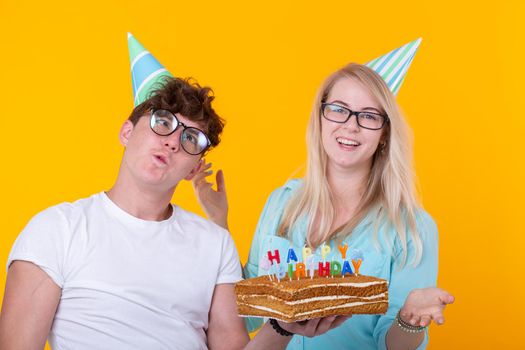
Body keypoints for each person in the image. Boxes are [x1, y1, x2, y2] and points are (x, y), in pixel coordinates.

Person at [0, 33, 348, 349]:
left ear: (194, 168)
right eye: (162, 122)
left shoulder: (215, 244)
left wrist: (282, 326)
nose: (171, 141)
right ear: (126, 132)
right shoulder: (56, 229)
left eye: (190, 138)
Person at [192, 60, 455, 349]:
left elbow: (392, 346)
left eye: (368, 116)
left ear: (384, 134)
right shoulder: (282, 202)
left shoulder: (413, 228)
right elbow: (249, 310)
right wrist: (219, 222)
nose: (350, 126)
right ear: (320, 119)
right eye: (339, 110)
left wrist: (409, 319)